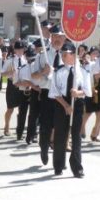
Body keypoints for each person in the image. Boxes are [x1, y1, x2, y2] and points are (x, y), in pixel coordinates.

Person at [49, 42, 89, 178]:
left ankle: (77, 167)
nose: (64, 56)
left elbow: (88, 91)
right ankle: (58, 165)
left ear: (74, 55)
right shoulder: (58, 71)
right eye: (63, 54)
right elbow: (54, 92)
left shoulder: (82, 71)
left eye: (67, 54)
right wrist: (66, 105)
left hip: (77, 103)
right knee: (60, 135)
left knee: (76, 136)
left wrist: (77, 93)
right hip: (62, 104)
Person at [31, 25, 65, 166]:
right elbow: (33, 76)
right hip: (47, 94)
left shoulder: (68, 55)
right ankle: (44, 148)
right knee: (46, 126)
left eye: (60, 37)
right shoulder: (42, 55)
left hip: (62, 96)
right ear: (50, 37)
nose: (57, 39)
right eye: (55, 36)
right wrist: (43, 72)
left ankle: (59, 159)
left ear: (64, 38)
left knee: (60, 128)